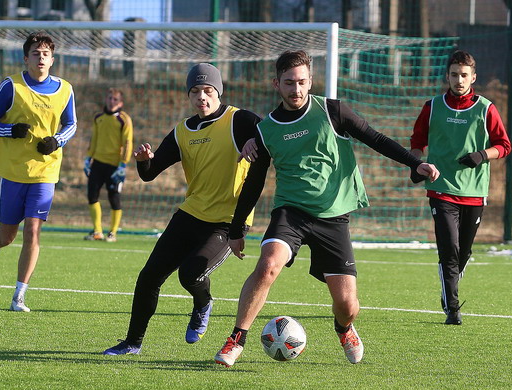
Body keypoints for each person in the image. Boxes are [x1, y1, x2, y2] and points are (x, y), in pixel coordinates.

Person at [214, 50, 440, 367]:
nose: (296, 89)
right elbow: (254, 182)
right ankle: (237, 339)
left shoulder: (332, 111)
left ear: (310, 81)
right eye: (289, 83)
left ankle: (344, 328)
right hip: (290, 212)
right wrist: (238, 229)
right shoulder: (267, 130)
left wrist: (415, 163)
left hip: (333, 217)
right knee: (267, 266)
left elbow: (375, 138)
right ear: (276, 84)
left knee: (348, 306)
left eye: (301, 82)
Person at [103, 63, 262, 355]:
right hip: (191, 214)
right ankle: (132, 343)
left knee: (190, 275)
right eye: (195, 91)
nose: (202, 96)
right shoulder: (183, 131)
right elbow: (150, 173)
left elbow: (271, 135)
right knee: (149, 277)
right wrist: (143, 160)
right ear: (188, 95)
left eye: (208, 90)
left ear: (218, 92)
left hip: (226, 221)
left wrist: (256, 139)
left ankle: (203, 302)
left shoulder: (240, 120)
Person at [410, 50, 511, 325]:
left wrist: (481, 155)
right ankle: (452, 308)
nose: (459, 80)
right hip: (441, 189)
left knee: (462, 253)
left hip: (474, 193)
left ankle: (450, 277)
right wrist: (416, 164)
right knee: (449, 250)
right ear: (448, 76)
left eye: (464, 75)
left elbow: (504, 145)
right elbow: (417, 141)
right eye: (454, 74)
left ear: (473, 77)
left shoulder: (486, 108)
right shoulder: (432, 107)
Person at [0, 31, 77, 312]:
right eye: (36, 53)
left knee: (33, 231)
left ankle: (19, 296)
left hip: (46, 171)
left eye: (46, 54)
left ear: (52, 60)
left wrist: (57, 140)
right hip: (14, 172)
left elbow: (71, 124)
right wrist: (10, 130)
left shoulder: (65, 89)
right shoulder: (11, 86)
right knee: (7, 236)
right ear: (26, 58)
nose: (41, 58)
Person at [83, 88, 133, 242]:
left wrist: (123, 164)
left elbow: (128, 142)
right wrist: (88, 158)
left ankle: (112, 233)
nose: (112, 102)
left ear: (121, 103)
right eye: (110, 98)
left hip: (114, 166)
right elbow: (94, 139)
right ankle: (97, 231)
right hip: (97, 163)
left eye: (115, 99)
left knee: (114, 198)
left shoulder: (124, 120)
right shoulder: (98, 117)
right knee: (92, 196)